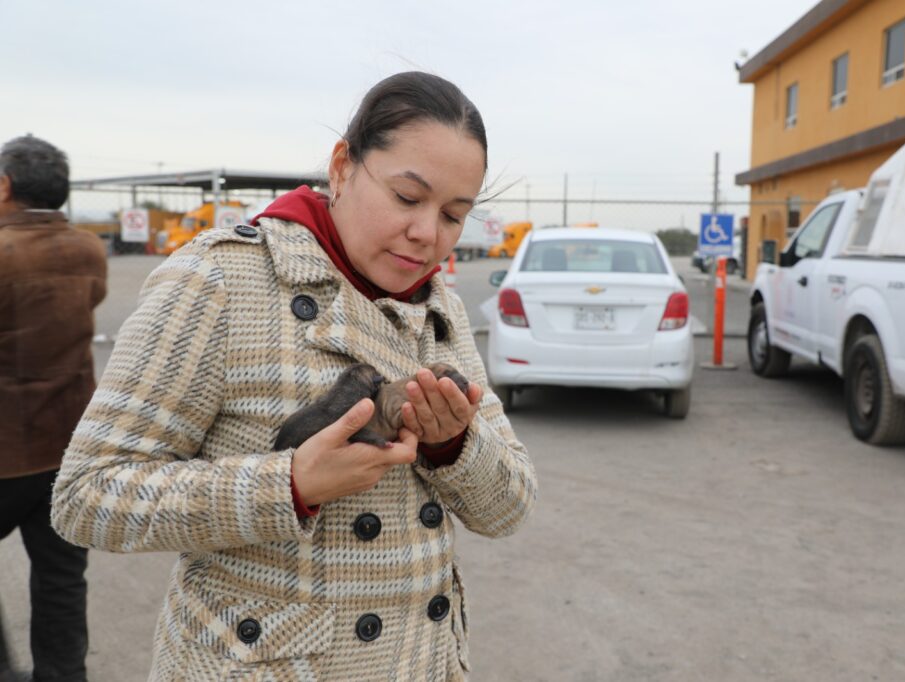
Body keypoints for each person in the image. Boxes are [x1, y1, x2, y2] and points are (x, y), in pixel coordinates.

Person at [51, 72, 537, 681]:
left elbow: (509, 509)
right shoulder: (220, 282)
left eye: (454, 215)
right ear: (342, 167)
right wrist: (288, 486)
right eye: (407, 198)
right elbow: (86, 497)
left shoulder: (441, 309)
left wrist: (453, 445)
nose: (426, 234)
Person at [0, 136, 107, 682]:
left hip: (6, 450)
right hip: (68, 446)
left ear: (4, 186)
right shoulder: (88, 248)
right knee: (63, 579)